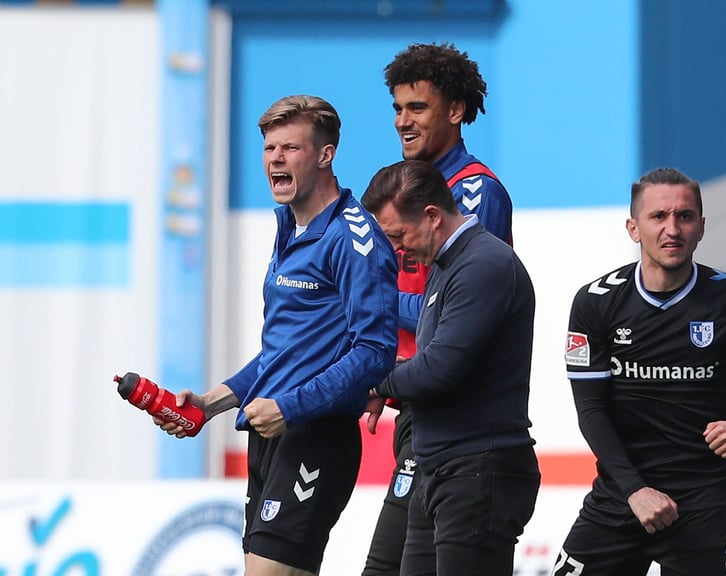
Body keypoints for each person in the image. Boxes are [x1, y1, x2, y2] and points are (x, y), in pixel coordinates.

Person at [156, 95, 398, 576]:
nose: (275, 159)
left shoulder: (354, 238)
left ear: (325, 155)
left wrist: (292, 406)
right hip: (270, 436)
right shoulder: (289, 224)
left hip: (316, 437)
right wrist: (211, 403)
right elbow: (281, 353)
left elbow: (375, 352)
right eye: (269, 148)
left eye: (290, 148)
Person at [553, 167, 726, 576]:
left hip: (701, 503)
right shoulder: (596, 302)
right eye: (658, 217)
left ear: (701, 227)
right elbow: (591, 411)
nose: (672, 229)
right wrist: (635, 490)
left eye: (685, 216)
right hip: (621, 495)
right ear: (633, 227)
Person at [362, 41, 514, 576]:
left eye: (418, 108)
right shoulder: (404, 189)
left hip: (461, 426)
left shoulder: (472, 193)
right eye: (398, 109)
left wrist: (368, 307)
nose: (404, 121)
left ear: (455, 111)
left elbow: (455, 314)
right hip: (419, 408)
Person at [361, 159, 539, 576]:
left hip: (478, 471)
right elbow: (433, 360)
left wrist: (373, 382)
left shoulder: (482, 264)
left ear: (431, 216)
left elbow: (440, 369)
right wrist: (394, 377)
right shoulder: (448, 264)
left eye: (398, 235)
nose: (399, 249)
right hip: (441, 468)